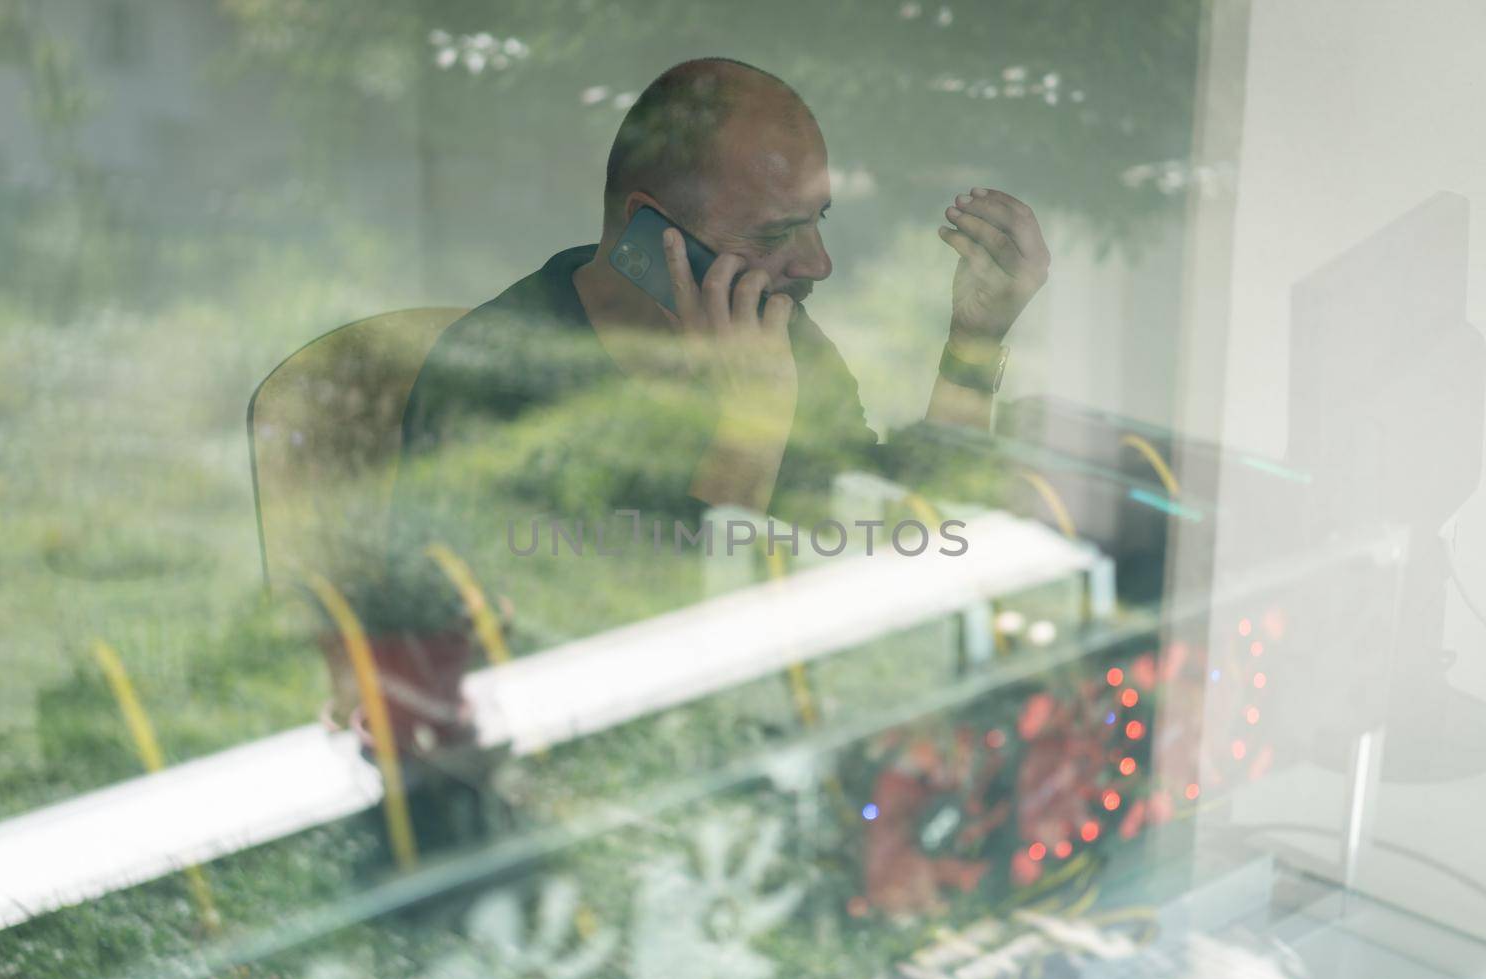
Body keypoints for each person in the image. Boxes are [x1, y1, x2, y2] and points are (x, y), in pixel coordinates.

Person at [391, 57, 1050, 631]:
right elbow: (630, 662)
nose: (818, 263)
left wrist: (973, 342)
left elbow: (904, 537)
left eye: (817, 220)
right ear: (648, 237)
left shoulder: (776, 335)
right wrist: (745, 440)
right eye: (772, 236)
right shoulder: (490, 383)